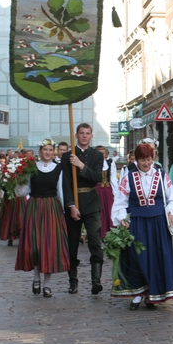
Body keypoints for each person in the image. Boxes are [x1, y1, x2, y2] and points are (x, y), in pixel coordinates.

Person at [111, 143, 173, 310]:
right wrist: (121, 218)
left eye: (149, 159)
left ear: (153, 158)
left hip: (158, 223)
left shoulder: (161, 175)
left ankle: (153, 294)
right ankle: (138, 294)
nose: (146, 163)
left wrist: (172, 212)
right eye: (142, 160)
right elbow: (120, 201)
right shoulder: (128, 177)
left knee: (157, 258)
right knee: (138, 257)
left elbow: (172, 198)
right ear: (136, 160)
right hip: (137, 223)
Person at [15, 139, 70, 298]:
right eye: (45, 149)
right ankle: (36, 277)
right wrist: (18, 179)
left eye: (50, 150)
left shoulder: (58, 169)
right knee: (35, 245)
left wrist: (64, 211)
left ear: (54, 152)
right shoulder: (31, 168)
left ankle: (47, 284)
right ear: (40, 151)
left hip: (51, 207)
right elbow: (22, 191)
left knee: (49, 246)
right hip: (34, 206)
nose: (48, 152)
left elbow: (60, 192)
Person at [61, 123, 104, 295]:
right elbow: (66, 184)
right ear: (76, 135)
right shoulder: (68, 156)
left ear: (91, 136)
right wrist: (71, 205)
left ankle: (96, 281)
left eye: (87, 133)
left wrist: (80, 165)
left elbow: (96, 177)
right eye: (81, 133)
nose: (84, 136)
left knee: (95, 241)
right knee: (72, 244)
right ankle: (73, 281)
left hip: (92, 203)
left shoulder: (97, 155)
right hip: (74, 203)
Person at [94, 145, 117, 239]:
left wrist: (116, 194)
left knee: (109, 211)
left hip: (107, 190)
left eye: (102, 153)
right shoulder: (93, 164)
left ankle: (110, 234)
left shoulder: (110, 163)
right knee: (99, 212)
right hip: (97, 190)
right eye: (99, 153)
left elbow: (113, 180)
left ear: (105, 154)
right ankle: (100, 234)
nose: (101, 155)